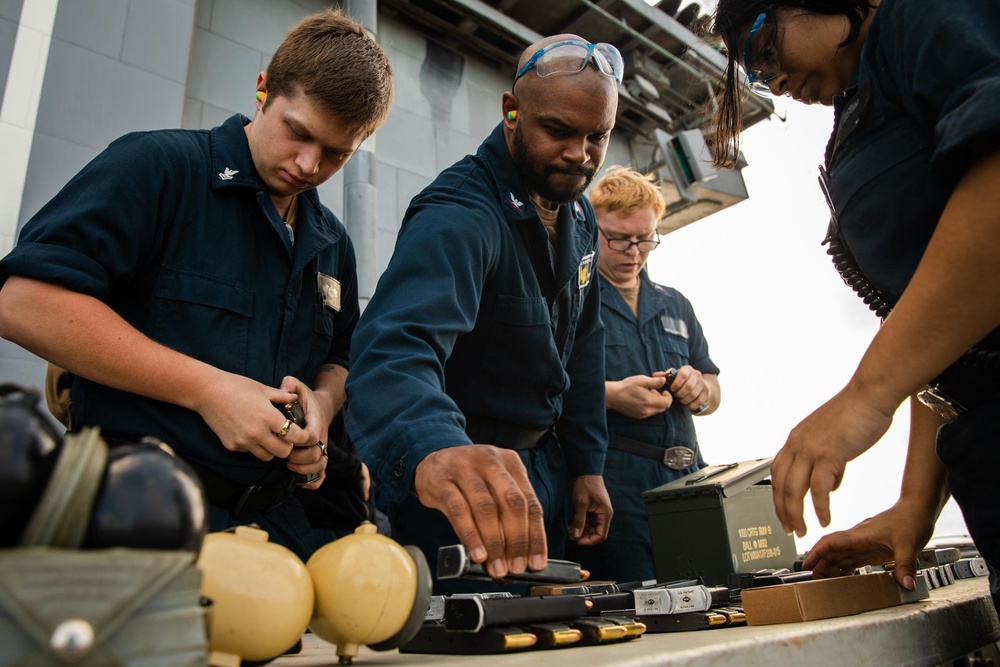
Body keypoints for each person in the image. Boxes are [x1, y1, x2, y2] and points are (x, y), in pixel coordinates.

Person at [0, 9, 393, 562]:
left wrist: (322, 409)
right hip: (132, 520)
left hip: (275, 535)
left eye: (336, 153)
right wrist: (209, 391)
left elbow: (341, 355)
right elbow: (23, 302)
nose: (308, 164)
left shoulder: (333, 243)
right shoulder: (158, 168)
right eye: (298, 133)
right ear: (263, 90)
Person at [711, 0, 1000, 609]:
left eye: (765, 51)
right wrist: (914, 508)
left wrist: (868, 393)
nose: (775, 82)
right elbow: (945, 325)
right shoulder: (862, 98)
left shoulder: (921, 17)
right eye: (757, 78)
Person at [345, 34, 620, 590]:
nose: (579, 155)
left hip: (544, 478)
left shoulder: (581, 217)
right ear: (511, 111)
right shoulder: (458, 215)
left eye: (598, 137)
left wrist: (588, 464)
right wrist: (433, 447)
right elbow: (395, 348)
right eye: (559, 131)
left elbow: (584, 347)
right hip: (461, 487)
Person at [564, 167, 720, 583]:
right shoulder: (570, 301)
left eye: (645, 238)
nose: (634, 250)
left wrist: (697, 388)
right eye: (618, 238)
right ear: (592, 229)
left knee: (708, 592)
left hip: (689, 480)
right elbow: (542, 387)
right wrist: (611, 395)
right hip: (614, 482)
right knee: (635, 601)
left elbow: (712, 389)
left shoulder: (676, 305)